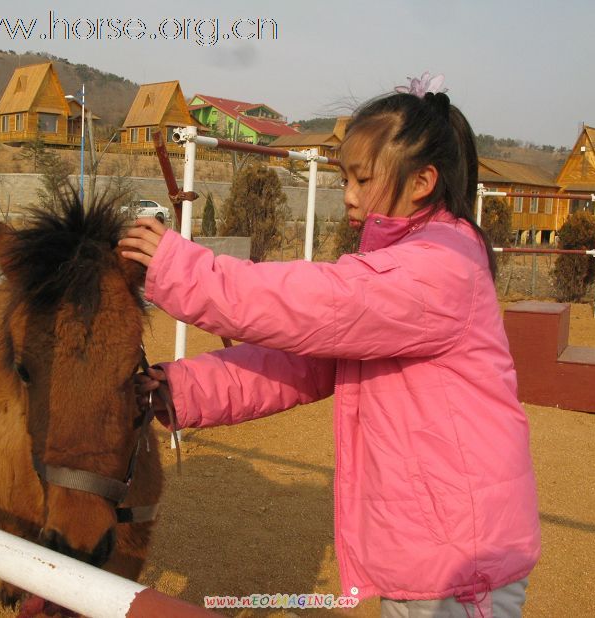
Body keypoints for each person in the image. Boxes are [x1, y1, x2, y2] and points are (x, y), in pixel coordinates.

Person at [119, 81, 541, 618]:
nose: (348, 194)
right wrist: (181, 386)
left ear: (422, 182)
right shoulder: (404, 270)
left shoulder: (437, 270)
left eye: (363, 178)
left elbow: (314, 304)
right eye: (345, 178)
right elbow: (297, 363)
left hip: (461, 559)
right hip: (432, 545)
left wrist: (183, 271)